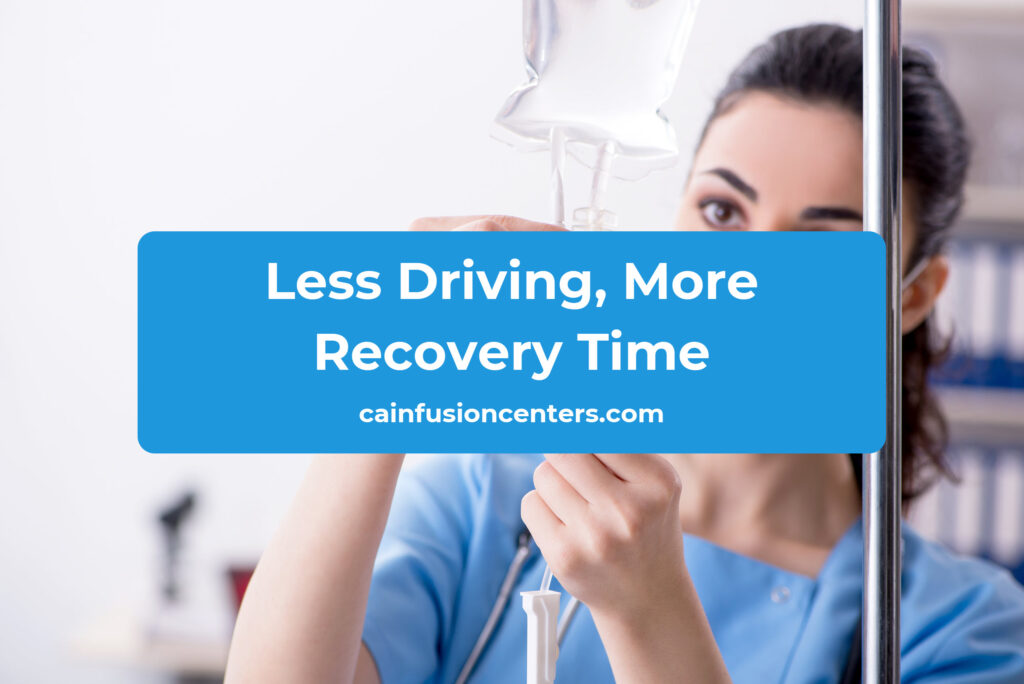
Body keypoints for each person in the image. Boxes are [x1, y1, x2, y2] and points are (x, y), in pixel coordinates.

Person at [225, 24, 1024, 684]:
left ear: (913, 295)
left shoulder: (953, 627)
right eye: (720, 211)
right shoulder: (485, 501)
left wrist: (651, 611)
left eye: (821, 244)